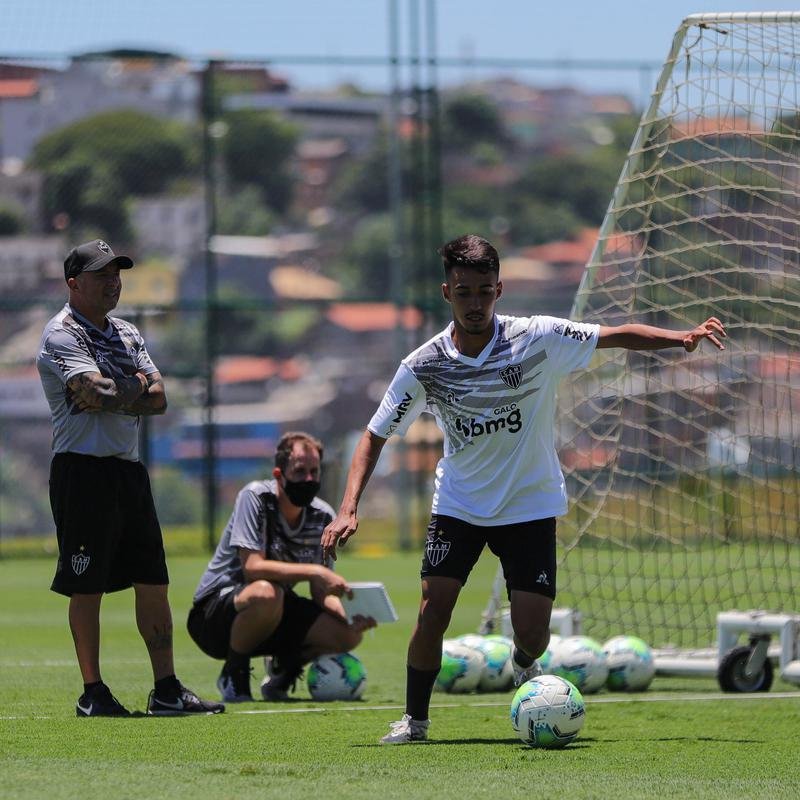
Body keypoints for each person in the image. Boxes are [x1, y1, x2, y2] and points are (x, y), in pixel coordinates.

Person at [321, 233, 727, 744]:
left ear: (500, 290)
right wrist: (348, 508)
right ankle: (416, 721)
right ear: (447, 291)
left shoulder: (538, 338)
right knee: (433, 608)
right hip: (461, 503)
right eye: (464, 292)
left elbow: (614, 334)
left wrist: (679, 338)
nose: (475, 303)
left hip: (530, 502)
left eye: (484, 291)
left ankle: (521, 663)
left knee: (533, 632)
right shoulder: (423, 366)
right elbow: (375, 433)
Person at [36, 238, 224, 717]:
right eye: (102, 275)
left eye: (117, 273)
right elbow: (94, 391)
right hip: (81, 469)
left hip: (128, 470)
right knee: (87, 584)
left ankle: (166, 688)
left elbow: (157, 399)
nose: (113, 282)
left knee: (153, 579)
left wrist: (123, 388)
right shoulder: (61, 334)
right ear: (74, 283)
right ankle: (93, 692)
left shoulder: (127, 333)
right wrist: (128, 387)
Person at [187, 431, 376, 703]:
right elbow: (252, 567)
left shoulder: (322, 515)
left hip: (272, 610)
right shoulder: (255, 497)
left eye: (314, 471)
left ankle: (281, 673)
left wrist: (351, 615)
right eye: (300, 471)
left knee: (347, 635)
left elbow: (321, 594)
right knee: (267, 592)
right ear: (279, 474)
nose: (309, 479)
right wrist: (316, 570)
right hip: (214, 615)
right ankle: (233, 673)